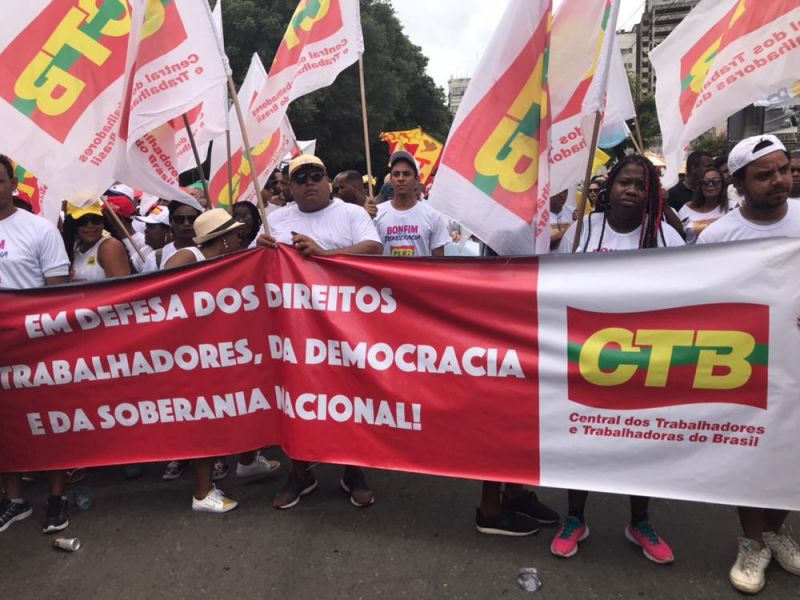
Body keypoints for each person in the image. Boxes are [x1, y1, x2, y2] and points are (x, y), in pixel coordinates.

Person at [552, 155, 684, 564]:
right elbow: (556, 287)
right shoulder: (583, 231)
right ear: (609, 186)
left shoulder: (664, 237)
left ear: (651, 194)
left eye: (641, 186)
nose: (632, 191)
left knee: (639, 441)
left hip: (645, 358)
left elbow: (689, 294)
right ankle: (575, 518)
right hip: (586, 356)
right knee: (582, 438)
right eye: (625, 182)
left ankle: (639, 522)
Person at [697, 134, 800, 594]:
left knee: (793, 451)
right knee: (752, 452)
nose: (779, 180)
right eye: (764, 175)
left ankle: (776, 531)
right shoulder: (718, 236)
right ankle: (752, 542)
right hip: (747, 365)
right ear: (738, 184)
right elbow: (701, 302)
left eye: (783, 170)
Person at [258, 154, 382, 509]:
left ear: (328, 181)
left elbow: (373, 248)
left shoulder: (351, 213)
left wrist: (324, 255)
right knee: (297, 400)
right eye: (300, 178)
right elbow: (256, 265)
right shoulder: (275, 219)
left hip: (346, 326)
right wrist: (263, 251)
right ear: (290, 187)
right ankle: (300, 472)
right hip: (294, 330)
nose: (309, 182)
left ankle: (353, 470)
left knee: (350, 397)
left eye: (316, 175)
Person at [0, 155, 71, 534]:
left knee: (49, 423)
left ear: (13, 185)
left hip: (35, 348)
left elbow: (55, 295)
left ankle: (57, 496)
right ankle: (15, 500)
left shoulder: (39, 229)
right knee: (5, 426)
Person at [373, 151, 450, 257]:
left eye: (406, 174)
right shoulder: (376, 214)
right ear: (391, 179)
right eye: (396, 174)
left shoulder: (433, 216)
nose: (401, 179)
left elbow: (439, 262)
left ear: (417, 179)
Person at [62, 203, 131, 281]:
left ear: (103, 223)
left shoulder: (110, 247)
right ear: (72, 225)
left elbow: (121, 287)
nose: (90, 225)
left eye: (96, 220)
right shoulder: (74, 249)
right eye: (82, 221)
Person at [677, 167, 728, 243]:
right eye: (705, 182)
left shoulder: (732, 207)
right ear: (700, 186)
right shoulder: (686, 209)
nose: (710, 184)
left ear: (722, 184)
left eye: (715, 181)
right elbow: (678, 235)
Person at [135, 205, 172, 270]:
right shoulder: (143, 252)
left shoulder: (177, 255)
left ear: (168, 230)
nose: (146, 230)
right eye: (146, 226)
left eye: (151, 227)